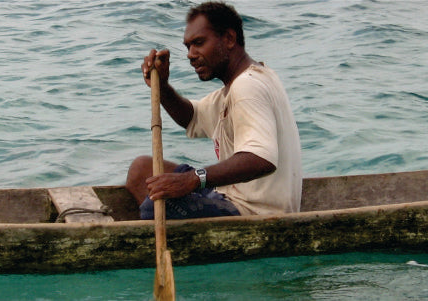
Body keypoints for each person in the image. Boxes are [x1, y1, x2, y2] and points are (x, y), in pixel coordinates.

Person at [126, 1, 302, 220]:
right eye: (188, 46)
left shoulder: (248, 86)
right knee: (142, 169)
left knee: (153, 208)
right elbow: (192, 117)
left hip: (255, 211)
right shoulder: (234, 88)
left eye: (198, 43)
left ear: (228, 39)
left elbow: (260, 159)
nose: (190, 54)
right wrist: (162, 87)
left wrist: (192, 179)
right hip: (226, 194)